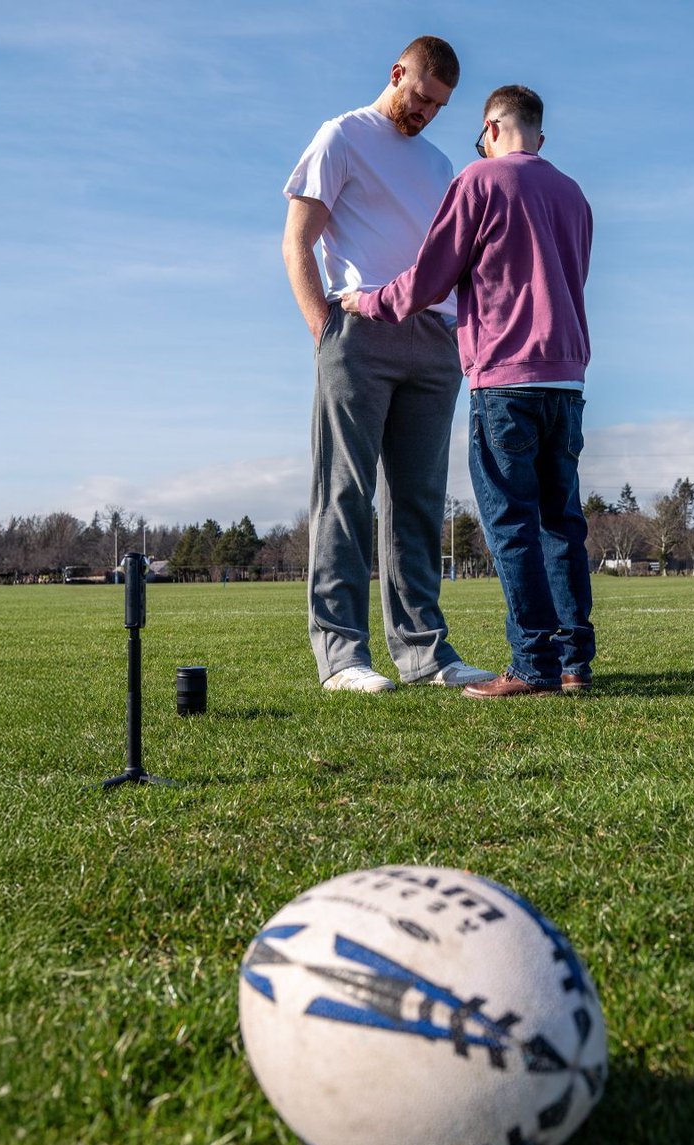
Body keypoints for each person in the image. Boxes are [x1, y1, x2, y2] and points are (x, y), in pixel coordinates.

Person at [342, 85, 594, 698]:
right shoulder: (574, 194)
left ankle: (533, 666)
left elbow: (430, 275)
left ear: (490, 128)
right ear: (538, 133)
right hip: (566, 378)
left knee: (511, 523)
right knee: (562, 524)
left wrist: (367, 301)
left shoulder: (482, 180)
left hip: (506, 378)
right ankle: (573, 665)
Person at [282, 36, 496, 694]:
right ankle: (342, 657)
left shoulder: (439, 166)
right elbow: (297, 239)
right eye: (421, 97)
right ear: (398, 73)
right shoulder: (341, 136)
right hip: (359, 333)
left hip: (434, 342)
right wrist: (326, 333)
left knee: (420, 503)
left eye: (438, 107)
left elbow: (451, 261)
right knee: (345, 494)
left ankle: (425, 653)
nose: (426, 113)